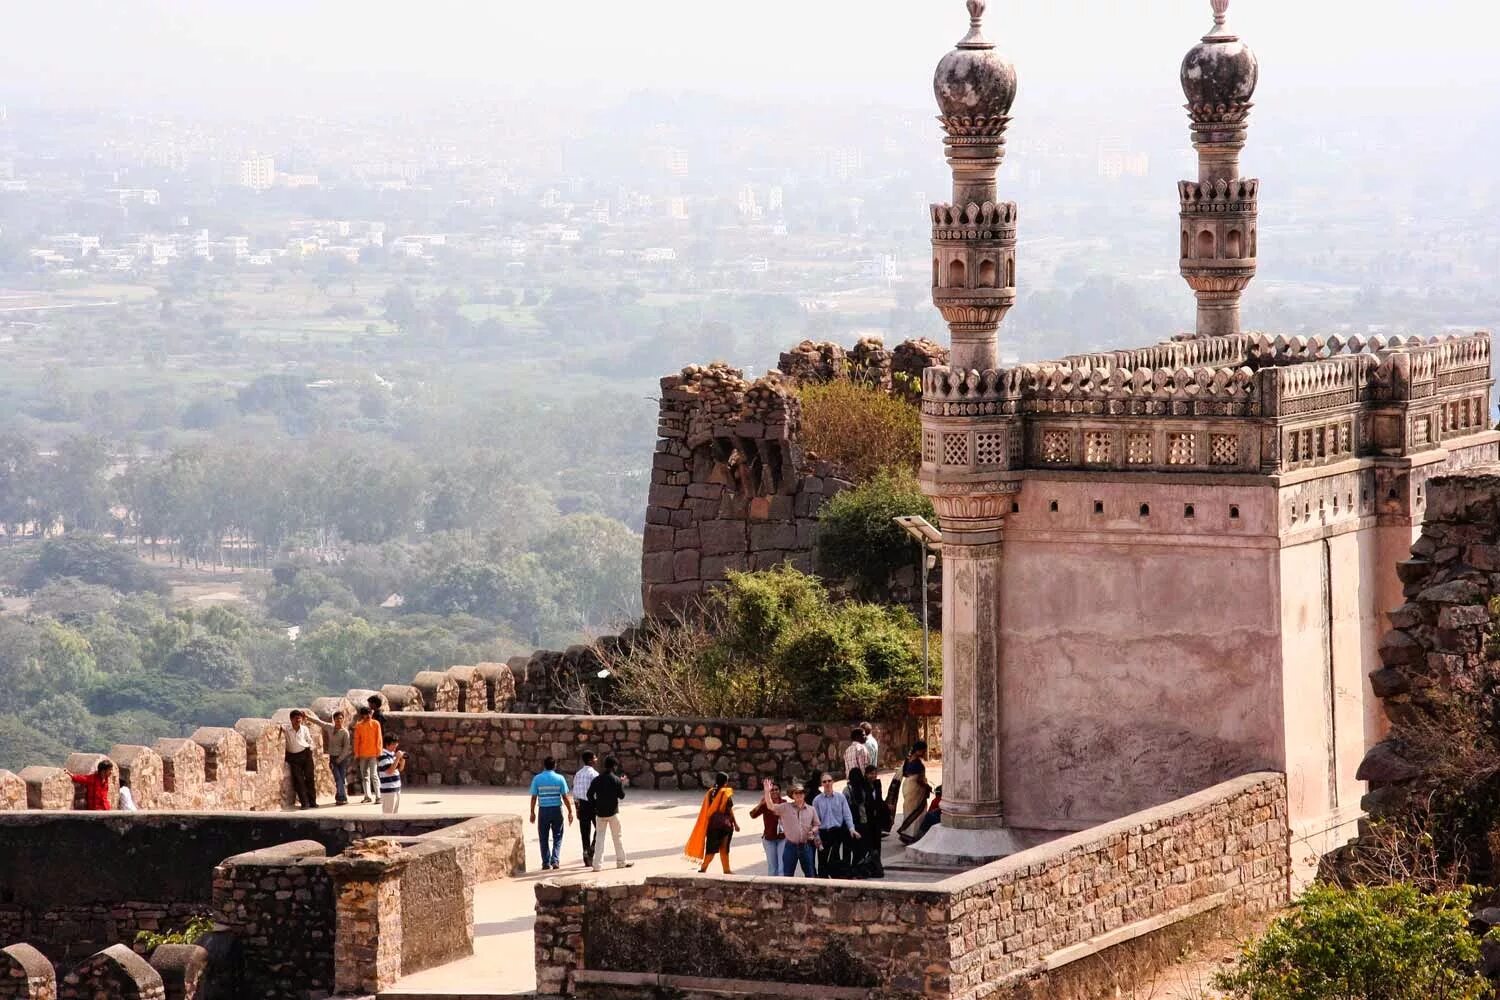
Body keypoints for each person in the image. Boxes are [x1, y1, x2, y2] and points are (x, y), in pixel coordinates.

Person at [760, 778, 819, 877]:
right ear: (792, 795)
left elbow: (817, 824)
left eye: (801, 793)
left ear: (804, 794)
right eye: (796, 793)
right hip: (790, 846)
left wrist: (812, 831)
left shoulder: (811, 809)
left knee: (810, 874)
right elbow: (771, 806)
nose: (799, 795)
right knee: (787, 875)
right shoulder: (785, 807)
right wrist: (767, 792)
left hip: (805, 846)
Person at [585, 756, 633, 871]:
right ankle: (621, 862)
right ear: (614, 766)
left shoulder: (597, 779)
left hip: (600, 813)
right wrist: (622, 783)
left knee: (599, 840)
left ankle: (597, 865)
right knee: (617, 838)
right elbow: (622, 796)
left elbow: (589, 795)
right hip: (613, 813)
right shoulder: (616, 779)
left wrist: (595, 805)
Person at [685, 772, 739, 874]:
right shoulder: (725, 793)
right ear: (725, 782)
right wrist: (735, 824)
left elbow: (706, 809)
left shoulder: (710, 792)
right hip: (725, 825)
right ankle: (726, 870)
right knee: (724, 848)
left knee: (711, 850)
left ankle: (703, 868)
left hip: (712, 826)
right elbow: (730, 810)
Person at [529, 756, 574, 871]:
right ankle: (555, 860)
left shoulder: (537, 779)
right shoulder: (560, 778)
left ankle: (545, 862)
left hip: (543, 810)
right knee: (557, 836)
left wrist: (532, 812)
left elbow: (534, 797)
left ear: (544, 765)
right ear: (555, 766)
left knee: (543, 837)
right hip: (556, 810)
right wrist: (570, 811)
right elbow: (564, 797)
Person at [813, 772, 858, 877]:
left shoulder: (840, 797)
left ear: (833, 782)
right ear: (821, 784)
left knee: (838, 860)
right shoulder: (817, 800)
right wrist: (817, 837)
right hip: (824, 833)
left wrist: (851, 828)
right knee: (823, 862)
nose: (827, 783)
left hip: (838, 832)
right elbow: (815, 821)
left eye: (829, 781)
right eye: (824, 781)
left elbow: (847, 814)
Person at [304, 709, 352, 805]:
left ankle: (341, 797)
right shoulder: (330, 728)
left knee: (341, 778)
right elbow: (319, 722)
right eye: (337, 719)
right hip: (333, 758)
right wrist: (308, 717)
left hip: (342, 759)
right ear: (334, 720)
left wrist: (339, 759)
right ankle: (342, 797)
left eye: (340, 719)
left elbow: (346, 748)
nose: (339, 721)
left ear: (343, 719)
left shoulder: (344, 732)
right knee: (338, 778)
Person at [748, 780, 786, 876]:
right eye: (771, 790)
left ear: (780, 791)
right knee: (772, 868)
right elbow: (752, 815)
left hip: (782, 838)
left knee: (782, 867)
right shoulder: (765, 804)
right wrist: (761, 803)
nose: (774, 792)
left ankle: (781, 888)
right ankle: (772, 888)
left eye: (776, 789)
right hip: (769, 839)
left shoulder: (784, 803)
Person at [897, 741, 931, 838]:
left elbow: (905, 773)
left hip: (907, 786)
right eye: (923, 751)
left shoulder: (908, 759)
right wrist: (927, 787)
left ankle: (906, 833)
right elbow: (919, 780)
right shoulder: (918, 763)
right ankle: (914, 835)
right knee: (918, 811)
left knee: (909, 810)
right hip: (916, 789)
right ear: (918, 751)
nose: (924, 753)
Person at [285, 710, 319, 809]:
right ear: (291, 719)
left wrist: (311, 748)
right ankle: (305, 803)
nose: (298, 720)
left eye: (299, 718)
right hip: (294, 757)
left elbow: (309, 740)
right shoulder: (287, 730)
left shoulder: (304, 729)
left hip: (306, 754)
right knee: (298, 780)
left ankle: (312, 802)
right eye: (296, 718)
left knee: (309, 778)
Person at [573, 751, 600, 868]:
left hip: (582, 805)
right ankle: (592, 849)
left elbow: (575, 794)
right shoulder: (594, 774)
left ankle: (586, 854)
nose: (596, 759)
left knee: (584, 832)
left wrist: (577, 809)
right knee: (599, 827)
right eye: (594, 757)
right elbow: (598, 793)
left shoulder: (578, 774)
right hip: (593, 805)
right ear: (590, 760)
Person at [352, 706, 383, 805]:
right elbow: (357, 740)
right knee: (365, 776)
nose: (368, 716)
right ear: (362, 715)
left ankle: (378, 796)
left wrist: (379, 752)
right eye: (366, 714)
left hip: (373, 753)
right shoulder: (359, 725)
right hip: (363, 754)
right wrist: (357, 753)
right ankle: (367, 796)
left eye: (369, 714)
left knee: (374, 775)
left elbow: (379, 739)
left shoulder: (375, 723)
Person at [377, 735, 405, 814]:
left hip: (396, 789)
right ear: (387, 744)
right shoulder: (382, 756)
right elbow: (389, 771)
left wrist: (402, 759)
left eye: (396, 743)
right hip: (388, 791)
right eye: (393, 744)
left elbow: (400, 769)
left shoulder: (392, 755)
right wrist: (397, 758)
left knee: (395, 816)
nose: (395, 746)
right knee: (388, 815)